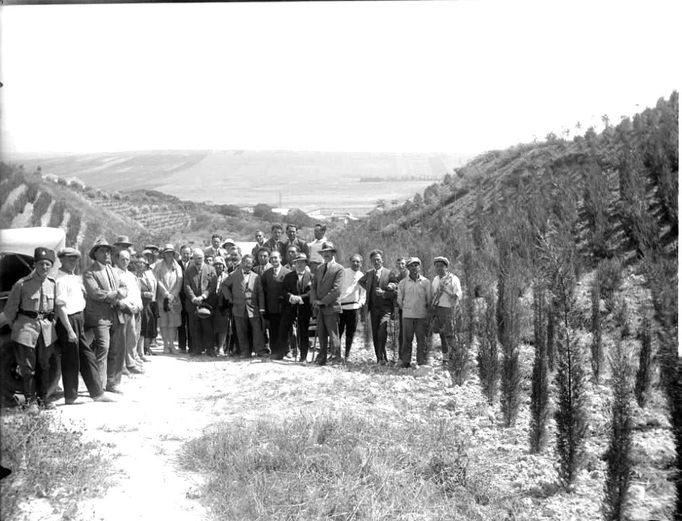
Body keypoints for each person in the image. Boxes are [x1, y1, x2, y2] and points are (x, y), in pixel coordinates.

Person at [54, 247, 115, 404]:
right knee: (71, 358)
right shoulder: (60, 280)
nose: (72, 262)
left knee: (87, 356)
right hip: (68, 320)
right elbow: (60, 308)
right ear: (61, 260)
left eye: (75, 259)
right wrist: (69, 330)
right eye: (69, 259)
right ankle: (71, 396)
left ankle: (97, 392)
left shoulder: (74, 277)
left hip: (79, 319)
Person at [4, 247, 60, 410]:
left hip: (46, 331)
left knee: (45, 366)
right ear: (35, 264)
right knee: (28, 368)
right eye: (41, 264)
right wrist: (17, 327)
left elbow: (55, 308)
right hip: (26, 329)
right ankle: (31, 401)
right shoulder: (22, 284)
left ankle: (44, 399)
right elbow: (9, 311)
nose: (44, 268)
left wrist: (53, 323)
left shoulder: (52, 284)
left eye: (48, 265)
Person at [83, 238, 128, 393]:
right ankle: (99, 385)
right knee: (103, 347)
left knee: (117, 348)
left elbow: (124, 287)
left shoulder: (114, 270)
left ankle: (112, 382)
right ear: (95, 254)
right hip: (100, 316)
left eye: (108, 251)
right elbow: (95, 293)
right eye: (102, 250)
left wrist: (121, 292)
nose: (107, 253)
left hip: (116, 314)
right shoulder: (89, 272)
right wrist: (115, 294)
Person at [221, 254, 267, 359]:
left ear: (252, 264)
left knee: (257, 330)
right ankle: (245, 352)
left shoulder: (256, 277)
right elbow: (224, 286)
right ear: (242, 262)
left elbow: (260, 293)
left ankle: (260, 351)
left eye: (250, 263)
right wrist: (230, 298)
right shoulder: (234, 275)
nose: (247, 265)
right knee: (241, 331)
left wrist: (262, 308)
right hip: (238, 307)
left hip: (253, 308)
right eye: (245, 262)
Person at [112, 248, 144, 387]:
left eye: (127, 259)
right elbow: (116, 293)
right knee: (122, 338)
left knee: (132, 336)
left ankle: (131, 362)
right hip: (122, 309)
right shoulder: (115, 274)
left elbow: (136, 292)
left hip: (133, 309)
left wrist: (139, 305)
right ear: (117, 260)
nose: (125, 261)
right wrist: (126, 305)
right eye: (122, 259)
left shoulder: (131, 275)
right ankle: (122, 365)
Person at [358, 249, 398, 365]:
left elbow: (396, 287)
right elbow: (361, 282)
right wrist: (369, 289)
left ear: (382, 260)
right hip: (373, 308)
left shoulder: (389, 272)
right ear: (371, 262)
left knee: (382, 330)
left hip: (386, 308)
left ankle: (383, 355)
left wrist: (386, 290)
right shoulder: (370, 273)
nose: (376, 262)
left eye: (378, 260)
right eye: (374, 260)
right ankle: (379, 357)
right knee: (375, 333)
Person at [310, 242, 343, 365]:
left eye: (329, 252)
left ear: (333, 253)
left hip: (331, 306)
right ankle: (321, 357)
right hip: (319, 307)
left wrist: (322, 302)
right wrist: (314, 300)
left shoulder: (339, 269)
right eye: (324, 253)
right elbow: (313, 286)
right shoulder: (319, 268)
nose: (326, 254)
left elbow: (336, 290)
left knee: (333, 333)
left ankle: (336, 357)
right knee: (321, 333)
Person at [396, 257, 432, 368]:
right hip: (407, 315)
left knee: (421, 339)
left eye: (416, 265)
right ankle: (406, 361)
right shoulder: (403, 283)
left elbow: (429, 298)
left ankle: (421, 361)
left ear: (419, 267)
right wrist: (407, 309)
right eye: (411, 265)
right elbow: (400, 299)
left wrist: (426, 312)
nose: (414, 267)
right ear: (407, 268)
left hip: (421, 315)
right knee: (407, 339)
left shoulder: (426, 282)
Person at [279, 253, 313, 362]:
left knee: (303, 331)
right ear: (294, 264)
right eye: (297, 262)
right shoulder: (289, 276)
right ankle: (283, 352)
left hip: (304, 308)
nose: (299, 264)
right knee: (284, 328)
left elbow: (312, 292)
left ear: (305, 263)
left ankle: (303, 356)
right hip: (290, 307)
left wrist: (300, 298)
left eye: (302, 262)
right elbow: (283, 291)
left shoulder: (311, 276)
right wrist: (291, 297)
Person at [183, 248, 217, 356]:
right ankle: (197, 349)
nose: (199, 260)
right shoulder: (188, 270)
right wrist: (193, 298)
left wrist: (203, 296)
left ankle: (210, 349)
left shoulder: (211, 269)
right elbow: (186, 286)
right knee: (194, 327)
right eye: (196, 258)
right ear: (193, 259)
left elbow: (212, 286)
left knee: (208, 327)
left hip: (207, 302)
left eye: (200, 257)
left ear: (203, 258)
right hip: (192, 303)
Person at [430, 256, 462, 364]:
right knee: (442, 334)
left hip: (448, 309)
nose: (439, 268)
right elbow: (433, 294)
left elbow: (456, 296)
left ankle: (456, 357)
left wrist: (446, 291)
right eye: (437, 266)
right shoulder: (435, 279)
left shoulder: (453, 279)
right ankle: (445, 358)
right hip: (438, 309)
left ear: (446, 267)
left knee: (450, 334)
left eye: (441, 266)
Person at [153, 244, 183, 354]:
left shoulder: (178, 267)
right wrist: (165, 293)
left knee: (173, 323)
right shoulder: (158, 266)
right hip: (162, 298)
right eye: (167, 253)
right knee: (163, 322)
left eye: (171, 253)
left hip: (174, 299)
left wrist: (174, 294)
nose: (169, 255)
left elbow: (179, 281)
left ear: (174, 254)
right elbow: (156, 280)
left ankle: (172, 345)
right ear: (164, 254)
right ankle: (165, 345)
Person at [261, 251, 290, 357]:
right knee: (273, 329)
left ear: (281, 258)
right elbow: (263, 291)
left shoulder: (287, 272)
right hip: (271, 307)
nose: (274, 260)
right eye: (272, 258)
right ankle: (274, 351)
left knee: (283, 330)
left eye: (276, 258)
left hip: (284, 307)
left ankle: (284, 351)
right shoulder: (267, 274)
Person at [339, 253, 366, 360]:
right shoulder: (344, 272)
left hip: (353, 308)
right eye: (353, 261)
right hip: (341, 307)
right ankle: (336, 353)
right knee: (339, 331)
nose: (355, 263)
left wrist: (360, 303)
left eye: (358, 261)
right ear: (350, 262)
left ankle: (347, 354)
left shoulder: (362, 276)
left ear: (361, 264)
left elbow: (363, 293)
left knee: (350, 332)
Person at [135, 252, 157, 359]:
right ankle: (137, 353)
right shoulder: (133, 275)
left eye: (143, 263)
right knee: (138, 330)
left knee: (146, 328)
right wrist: (143, 294)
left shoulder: (146, 275)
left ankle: (143, 350)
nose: (141, 265)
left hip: (147, 305)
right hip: (137, 305)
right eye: (139, 263)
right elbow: (131, 291)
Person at [209, 256, 230, 356]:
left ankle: (221, 347)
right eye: (216, 264)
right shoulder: (210, 276)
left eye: (220, 264)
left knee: (223, 327)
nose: (218, 266)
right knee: (212, 327)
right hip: (211, 304)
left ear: (224, 266)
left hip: (223, 305)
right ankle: (212, 346)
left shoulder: (227, 276)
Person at [177, 245, 192, 353]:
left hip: (191, 298)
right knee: (181, 323)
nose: (186, 255)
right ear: (180, 254)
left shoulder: (193, 264)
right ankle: (182, 346)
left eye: (187, 253)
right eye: (184, 253)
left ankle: (192, 345)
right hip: (180, 297)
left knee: (191, 322)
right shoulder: (176, 265)